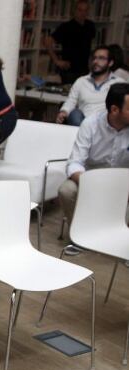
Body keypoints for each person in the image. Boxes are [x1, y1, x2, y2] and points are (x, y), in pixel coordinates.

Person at [58, 83, 129, 249]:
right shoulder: (91, 124)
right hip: (91, 178)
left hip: (123, 182)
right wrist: (95, 185)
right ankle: (78, 237)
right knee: (66, 190)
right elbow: (75, 163)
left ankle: (123, 245)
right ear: (114, 110)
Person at [56, 46, 123, 126]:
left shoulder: (119, 83)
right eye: (94, 58)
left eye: (101, 58)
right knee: (75, 114)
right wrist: (64, 112)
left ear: (110, 62)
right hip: (83, 122)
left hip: (106, 125)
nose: (96, 61)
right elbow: (71, 101)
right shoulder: (81, 81)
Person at [45, 0, 95, 84]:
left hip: (85, 70)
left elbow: (89, 47)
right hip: (69, 70)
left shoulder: (90, 26)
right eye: (80, 10)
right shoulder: (66, 27)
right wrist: (56, 61)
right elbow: (47, 41)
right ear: (74, 11)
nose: (83, 13)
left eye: (85, 10)